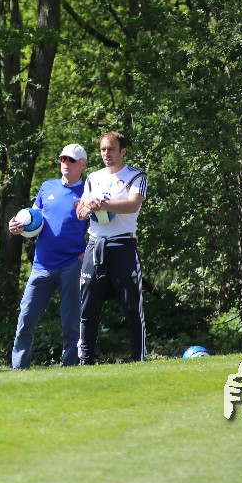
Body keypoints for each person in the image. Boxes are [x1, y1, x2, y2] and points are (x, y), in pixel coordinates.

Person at [8, 143, 89, 369]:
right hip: (41, 265)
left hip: (72, 265)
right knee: (26, 317)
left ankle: (70, 367)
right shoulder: (47, 187)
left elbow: (99, 226)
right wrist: (17, 226)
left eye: (71, 160)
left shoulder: (88, 192)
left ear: (83, 165)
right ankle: (19, 367)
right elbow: (32, 219)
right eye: (63, 159)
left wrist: (87, 252)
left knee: (71, 322)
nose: (66, 163)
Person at [76, 131, 148, 364]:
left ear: (122, 151)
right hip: (95, 245)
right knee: (88, 307)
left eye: (111, 149)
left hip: (123, 245)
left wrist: (102, 204)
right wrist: (85, 207)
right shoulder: (92, 178)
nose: (106, 153)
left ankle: (137, 359)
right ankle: (85, 360)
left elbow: (132, 205)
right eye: (103, 149)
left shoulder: (136, 176)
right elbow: (81, 211)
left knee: (131, 306)